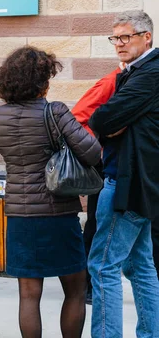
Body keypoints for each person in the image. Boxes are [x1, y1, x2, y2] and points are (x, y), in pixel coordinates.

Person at [0, 46, 101, 338]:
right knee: (76, 289)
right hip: (58, 213)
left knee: (28, 294)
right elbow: (92, 153)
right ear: (42, 82)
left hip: (19, 215)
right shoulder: (55, 111)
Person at [87, 10, 159, 337]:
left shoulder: (149, 73)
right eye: (114, 38)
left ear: (147, 37)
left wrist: (111, 125)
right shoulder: (135, 72)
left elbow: (101, 119)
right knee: (140, 267)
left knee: (103, 267)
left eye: (125, 37)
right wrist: (113, 124)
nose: (119, 44)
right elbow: (108, 120)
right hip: (139, 183)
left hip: (126, 185)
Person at [71, 64, 121, 305]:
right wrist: (98, 152)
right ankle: (87, 284)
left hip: (127, 164)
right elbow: (78, 118)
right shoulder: (111, 81)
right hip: (107, 165)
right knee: (96, 222)